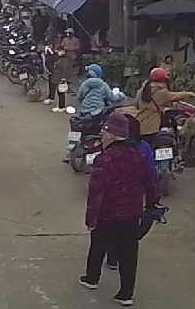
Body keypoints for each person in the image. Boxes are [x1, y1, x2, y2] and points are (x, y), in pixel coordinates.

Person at [80, 112, 154, 306]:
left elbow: (95, 193)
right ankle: (126, 293)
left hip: (107, 213)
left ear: (112, 135)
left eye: (104, 132)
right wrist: (151, 204)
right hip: (131, 214)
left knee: (98, 245)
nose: (102, 136)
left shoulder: (104, 159)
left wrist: (90, 219)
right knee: (129, 253)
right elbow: (150, 182)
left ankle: (92, 278)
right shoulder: (138, 155)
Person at [135, 67, 195, 146]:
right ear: (163, 80)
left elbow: (137, 105)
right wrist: (189, 94)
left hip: (140, 124)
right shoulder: (161, 92)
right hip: (152, 127)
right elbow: (175, 95)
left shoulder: (142, 90)